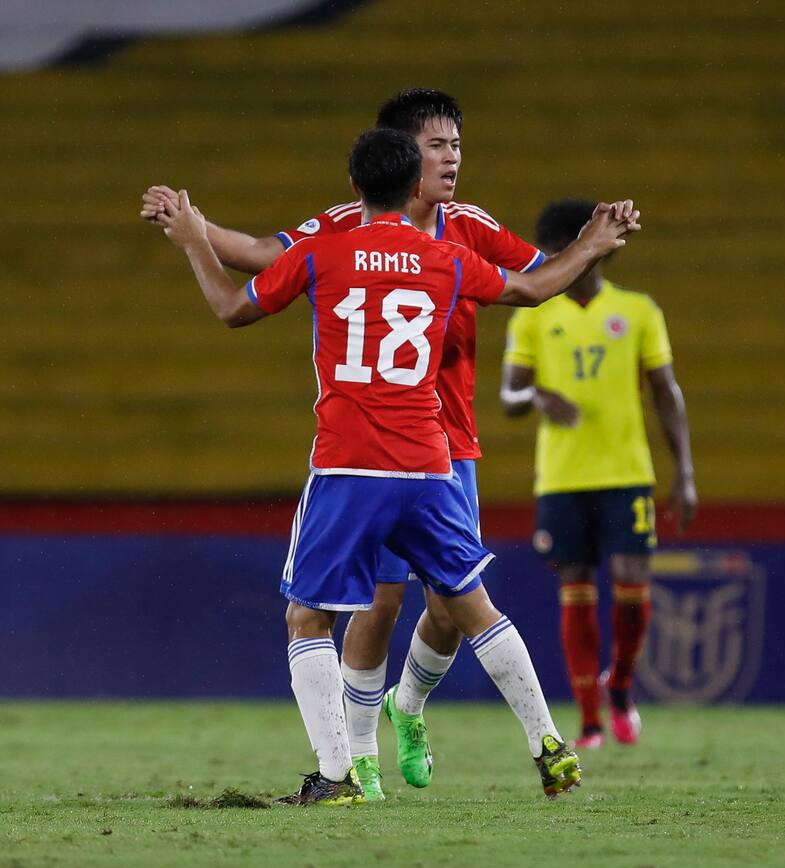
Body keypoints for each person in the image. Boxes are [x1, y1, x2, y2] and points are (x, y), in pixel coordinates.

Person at [158, 127, 640, 801]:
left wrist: (192, 240)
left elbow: (231, 307)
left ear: (354, 188)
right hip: (429, 464)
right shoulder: (445, 258)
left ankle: (337, 776)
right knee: (472, 605)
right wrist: (591, 244)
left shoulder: (324, 254)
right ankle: (549, 744)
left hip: (352, 464)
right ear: (414, 186)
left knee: (308, 617)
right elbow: (532, 291)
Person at [500, 198, 697, 749]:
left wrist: (684, 472)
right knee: (576, 590)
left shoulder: (637, 311)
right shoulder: (534, 312)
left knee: (633, 587)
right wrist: (537, 393)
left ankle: (622, 685)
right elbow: (509, 394)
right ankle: (589, 718)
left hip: (627, 471)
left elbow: (666, 392)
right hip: (563, 478)